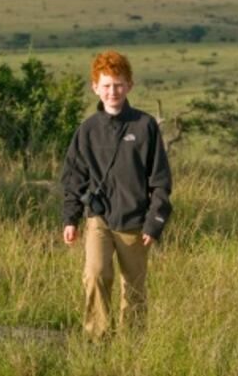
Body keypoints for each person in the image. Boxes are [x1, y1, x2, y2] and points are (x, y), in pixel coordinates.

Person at [61, 50, 172, 340]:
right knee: (96, 274)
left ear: (130, 86)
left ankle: (132, 342)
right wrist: (70, 219)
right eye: (107, 85)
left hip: (136, 220)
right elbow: (74, 177)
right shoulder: (87, 130)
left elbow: (160, 179)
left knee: (133, 286)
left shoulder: (145, 126)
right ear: (95, 87)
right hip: (100, 218)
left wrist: (154, 222)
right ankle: (97, 338)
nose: (113, 91)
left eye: (119, 84)